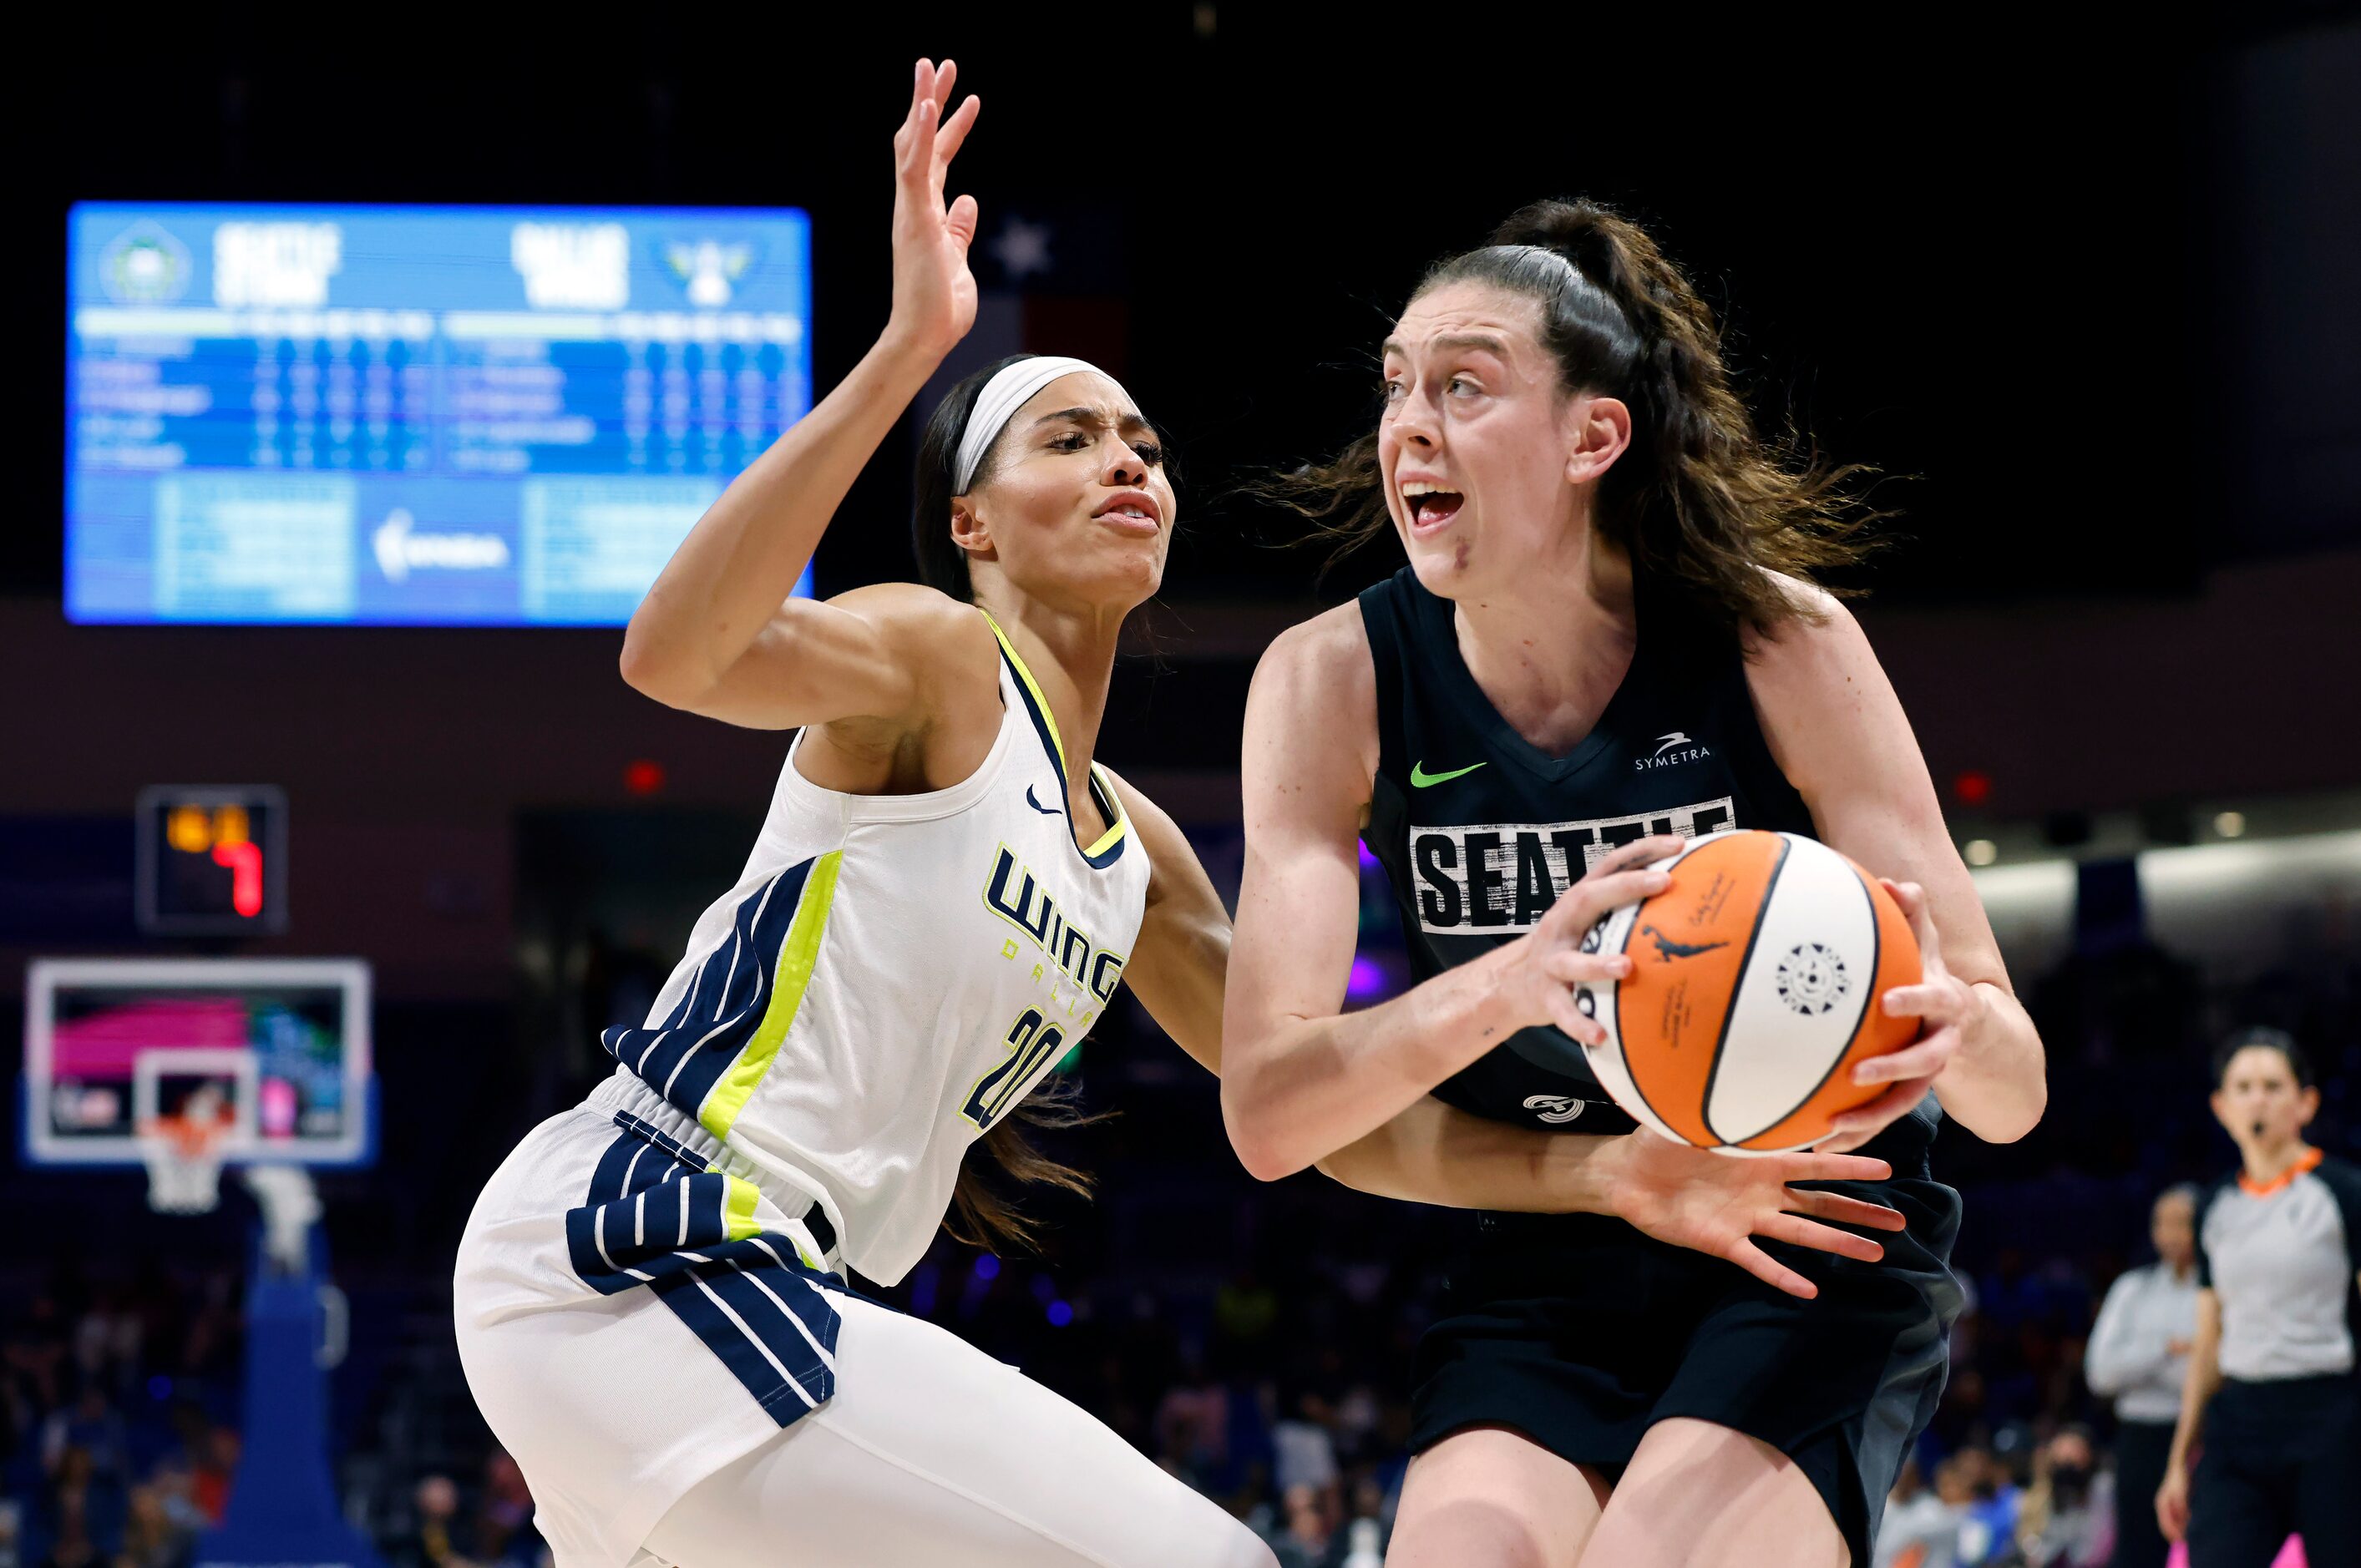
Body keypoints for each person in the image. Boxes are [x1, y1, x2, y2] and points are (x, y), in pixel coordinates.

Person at [451, 62, 1897, 1568]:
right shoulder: (937, 661)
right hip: (645, 1243)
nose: (1125, 460)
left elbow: (1336, 1118)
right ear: (970, 522)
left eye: (1139, 440)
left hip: (720, 1293)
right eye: (1066, 440)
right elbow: (670, 652)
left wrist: (1603, 1166)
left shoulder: (1129, 853)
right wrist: (903, 355)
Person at [1223, 200, 2049, 1568]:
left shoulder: (1777, 641)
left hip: (1804, 1224)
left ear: (1592, 437)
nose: (1408, 425)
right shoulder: (1329, 681)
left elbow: (2012, 1094)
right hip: (1549, 1239)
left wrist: (1955, 1029)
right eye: (1395, 387)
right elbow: (1267, 1111)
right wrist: (1520, 987)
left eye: (1464, 386)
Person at [2156, 1027, 2361, 1568]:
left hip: (2332, 1421)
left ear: (2306, 1102)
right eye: (2243, 1087)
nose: (2258, 1098)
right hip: (2238, 1426)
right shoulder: (2213, 1207)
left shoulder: (2342, 1192)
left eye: (2273, 1085)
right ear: (2220, 1107)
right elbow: (2208, 1341)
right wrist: (2179, 1461)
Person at [2085, 1184, 2201, 1568]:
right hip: (2138, 1438)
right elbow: (2101, 1373)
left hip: (2200, 1436)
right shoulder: (2132, 1288)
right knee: (2137, 1551)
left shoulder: (2215, 1293)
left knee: (2200, 1545)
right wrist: (2168, 1350)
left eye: (2181, 1223)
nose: (2170, 1234)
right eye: (2162, 1223)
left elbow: (2206, 1379)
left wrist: (2139, 1366)